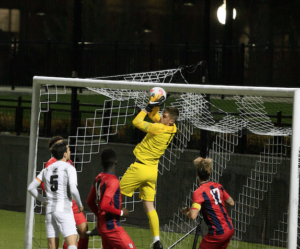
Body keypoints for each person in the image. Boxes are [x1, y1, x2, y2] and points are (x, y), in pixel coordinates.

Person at [120, 93, 179, 249]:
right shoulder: (172, 128)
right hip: (152, 171)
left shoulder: (159, 128)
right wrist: (156, 103)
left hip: (139, 168)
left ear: (170, 120)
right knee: (149, 206)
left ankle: (107, 225)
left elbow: (136, 121)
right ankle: (156, 241)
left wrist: (147, 108)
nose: (161, 117)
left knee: (113, 195)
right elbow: (154, 116)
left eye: (164, 116)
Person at [28, 141, 84, 249]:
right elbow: (73, 189)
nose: (70, 151)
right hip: (64, 209)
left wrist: (43, 200)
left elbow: (31, 188)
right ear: (64, 154)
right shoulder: (69, 168)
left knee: (52, 246)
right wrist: (80, 204)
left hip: (50, 210)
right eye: (68, 149)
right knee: (72, 244)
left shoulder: (46, 170)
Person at [41, 136, 89, 249]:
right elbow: (44, 183)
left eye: (64, 144)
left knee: (84, 231)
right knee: (57, 240)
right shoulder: (50, 164)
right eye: (61, 145)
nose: (65, 147)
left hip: (72, 203)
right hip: (60, 204)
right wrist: (47, 199)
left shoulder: (69, 162)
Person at [181, 157, 235, 249]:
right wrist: (215, 204)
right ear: (210, 173)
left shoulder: (199, 192)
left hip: (217, 233)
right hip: (229, 229)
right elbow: (231, 202)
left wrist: (187, 212)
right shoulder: (218, 186)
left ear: (197, 175)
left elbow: (193, 216)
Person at [86, 148, 136, 249]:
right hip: (111, 227)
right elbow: (104, 205)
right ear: (115, 161)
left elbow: (90, 202)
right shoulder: (113, 181)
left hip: (102, 226)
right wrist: (121, 213)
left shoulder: (99, 178)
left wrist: (100, 216)